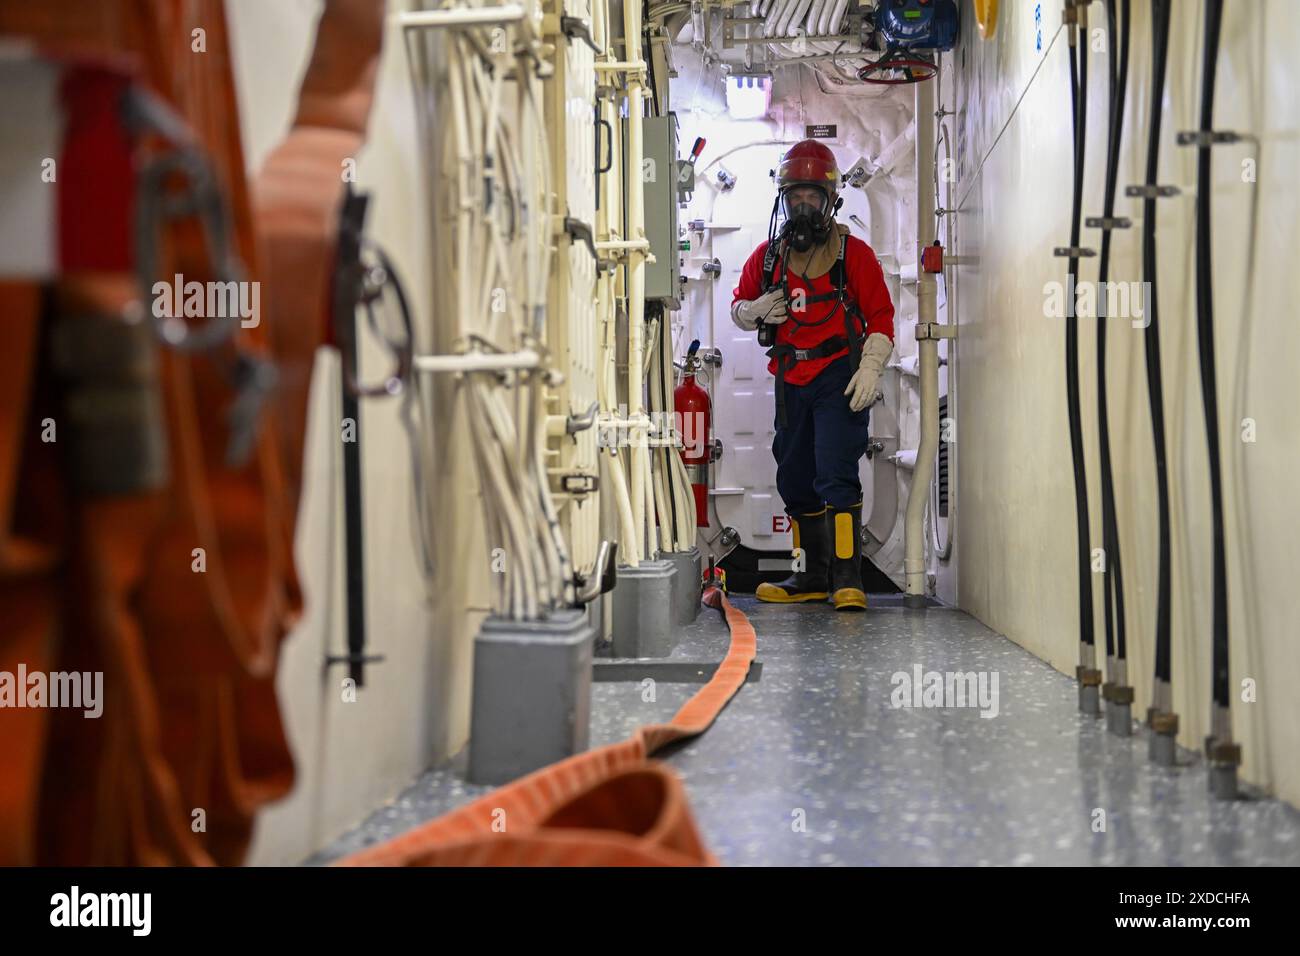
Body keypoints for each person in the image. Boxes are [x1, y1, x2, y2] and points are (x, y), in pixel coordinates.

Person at [730, 139, 895, 611]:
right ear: (783, 199)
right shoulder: (767, 257)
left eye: (813, 199)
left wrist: (871, 366)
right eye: (795, 198)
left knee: (835, 471)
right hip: (790, 379)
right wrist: (754, 309)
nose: (803, 208)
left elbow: (881, 317)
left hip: (837, 376)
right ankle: (808, 577)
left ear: (830, 202)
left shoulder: (853, 256)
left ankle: (847, 574)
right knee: (795, 474)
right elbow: (738, 306)